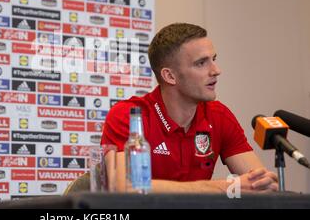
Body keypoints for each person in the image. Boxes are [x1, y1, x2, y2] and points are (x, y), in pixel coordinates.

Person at [101, 23, 278, 193]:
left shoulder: (219, 115)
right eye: (201, 63)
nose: (216, 70)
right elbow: (125, 186)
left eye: (213, 59)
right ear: (170, 76)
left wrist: (262, 184)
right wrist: (226, 188)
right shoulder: (129, 115)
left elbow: (261, 184)